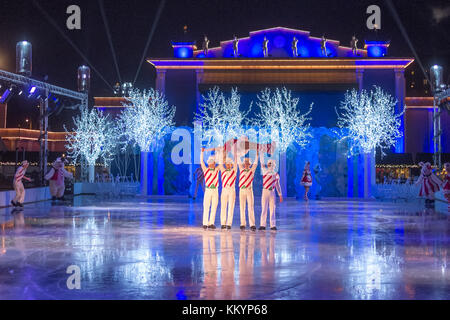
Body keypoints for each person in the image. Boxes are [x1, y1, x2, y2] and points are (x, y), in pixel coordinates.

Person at [259, 154, 282, 231]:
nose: (271, 165)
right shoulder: (264, 171)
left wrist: (280, 194)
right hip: (265, 191)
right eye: (269, 164)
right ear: (268, 165)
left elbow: (278, 185)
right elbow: (262, 163)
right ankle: (262, 225)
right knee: (264, 208)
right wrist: (261, 154)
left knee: (272, 208)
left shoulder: (276, 174)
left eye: (272, 164)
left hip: (272, 191)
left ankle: (273, 225)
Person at [237, 149, 259, 231]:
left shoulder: (251, 170)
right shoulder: (241, 169)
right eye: (245, 163)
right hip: (242, 190)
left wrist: (257, 155)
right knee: (242, 207)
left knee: (250, 207)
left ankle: (252, 224)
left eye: (248, 163)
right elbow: (238, 160)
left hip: (249, 190)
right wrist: (239, 153)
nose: (246, 164)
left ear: (249, 164)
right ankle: (242, 223)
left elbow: (255, 164)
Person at [200, 148, 220, 229]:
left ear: (214, 163)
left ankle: (211, 222)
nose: (212, 164)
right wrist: (202, 152)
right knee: (206, 206)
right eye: (210, 162)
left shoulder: (217, 170)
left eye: (213, 162)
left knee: (214, 206)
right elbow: (201, 162)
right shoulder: (206, 169)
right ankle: (205, 223)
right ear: (208, 163)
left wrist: (218, 152)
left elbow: (221, 163)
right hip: (208, 190)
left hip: (215, 190)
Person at [219, 152, 237, 230]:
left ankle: (229, 223)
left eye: (230, 163)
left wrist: (235, 152)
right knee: (223, 207)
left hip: (231, 190)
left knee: (231, 207)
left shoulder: (234, 170)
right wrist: (224, 154)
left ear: (232, 165)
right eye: (227, 163)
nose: (228, 164)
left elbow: (236, 163)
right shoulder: (223, 170)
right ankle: (223, 223)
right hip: (224, 190)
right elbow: (220, 164)